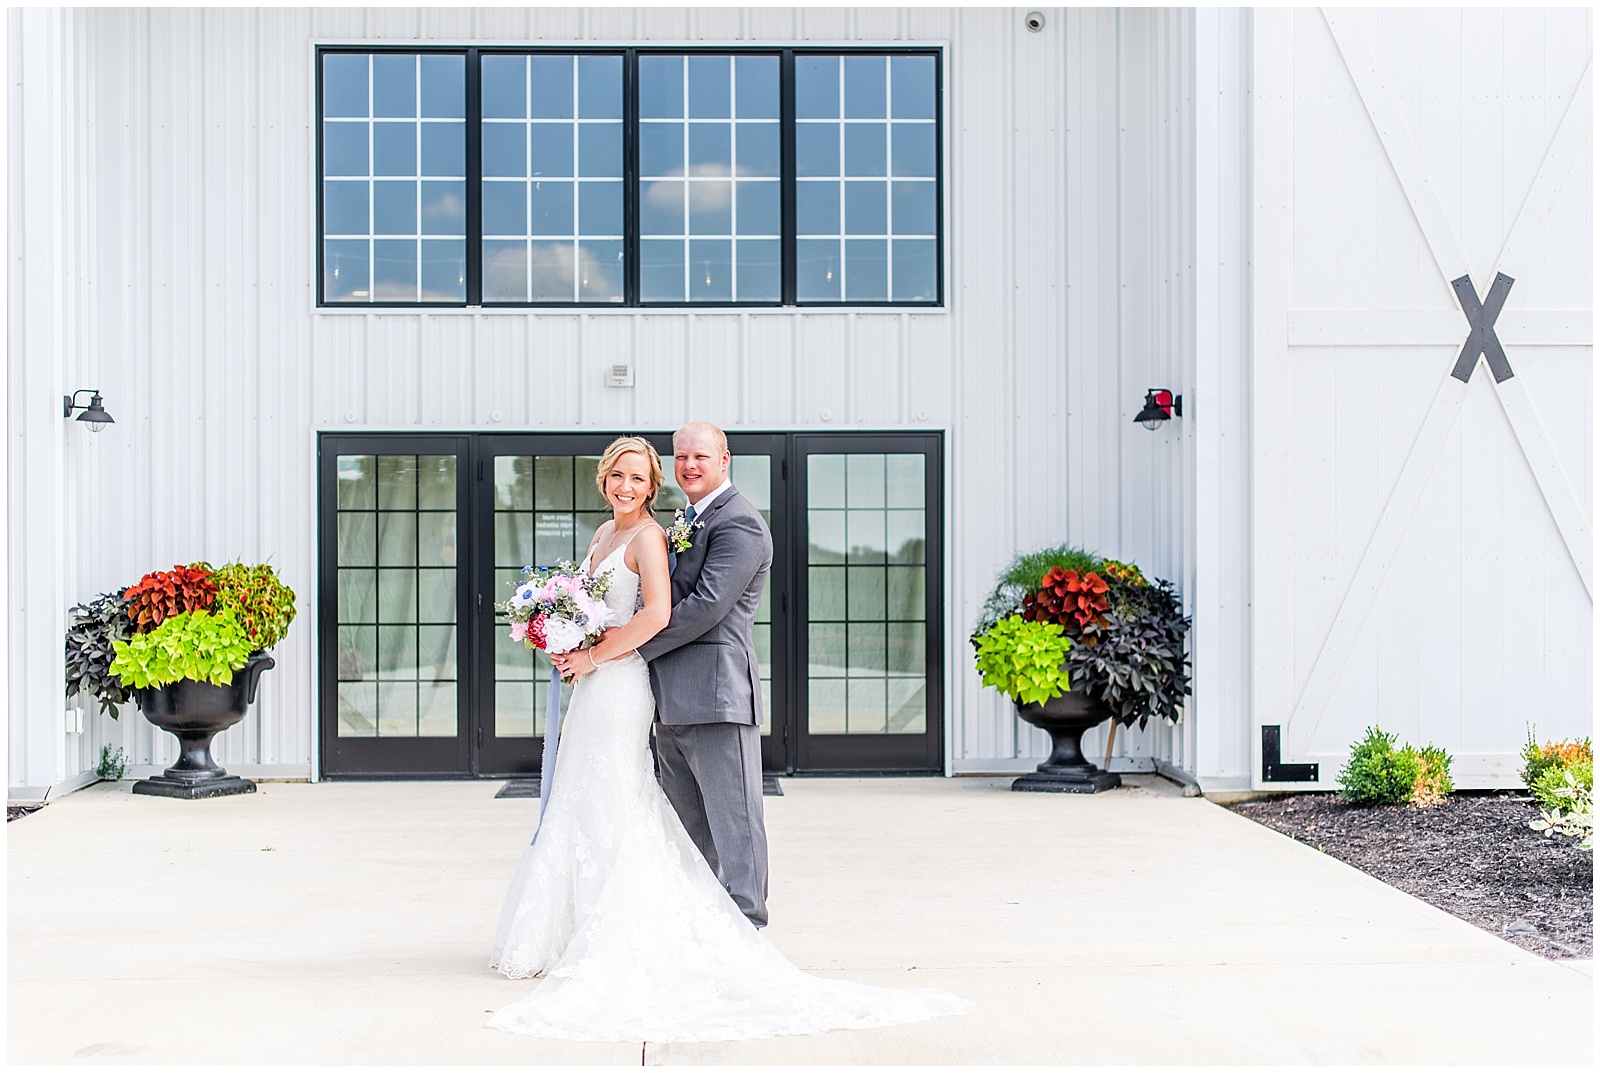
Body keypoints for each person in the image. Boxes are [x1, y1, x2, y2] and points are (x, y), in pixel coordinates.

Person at [487, 434, 971, 1043]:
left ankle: (744, 937)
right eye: (677, 457)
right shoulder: (656, 525)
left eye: (697, 457)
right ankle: (637, 923)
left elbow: (697, 609)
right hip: (652, 692)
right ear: (605, 479)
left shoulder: (736, 523)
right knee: (668, 821)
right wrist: (570, 638)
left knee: (733, 821)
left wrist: (601, 654)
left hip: (709, 693)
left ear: (723, 461)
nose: (684, 467)